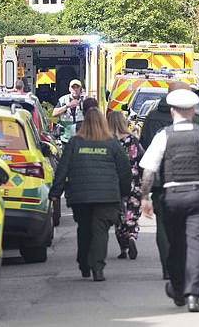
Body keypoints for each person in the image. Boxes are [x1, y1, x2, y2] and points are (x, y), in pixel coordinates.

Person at [139, 88, 199, 313]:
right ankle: (192, 295)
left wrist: (145, 197)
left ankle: (178, 287)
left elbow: (149, 170)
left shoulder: (163, 136)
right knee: (197, 246)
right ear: (193, 111)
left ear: (172, 112)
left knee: (175, 245)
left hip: (173, 197)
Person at [49, 107, 132, 282]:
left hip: (81, 196)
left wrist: (55, 193)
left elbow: (62, 169)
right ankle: (98, 267)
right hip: (107, 197)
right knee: (100, 231)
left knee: (85, 229)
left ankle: (84, 263)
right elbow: (125, 170)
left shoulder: (74, 143)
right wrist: (125, 193)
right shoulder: (112, 144)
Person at [139, 80, 195, 280]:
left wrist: (145, 190)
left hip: (161, 182)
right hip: (188, 181)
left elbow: (143, 148)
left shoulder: (152, 117)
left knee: (163, 225)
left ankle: (168, 267)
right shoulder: (193, 120)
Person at [107, 111, 144, 260]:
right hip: (134, 182)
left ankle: (123, 248)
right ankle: (132, 237)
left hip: (115, 183)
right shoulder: (133, 140)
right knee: (132, 214)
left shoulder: (109, 141)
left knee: (119, 216)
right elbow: (142, 159)